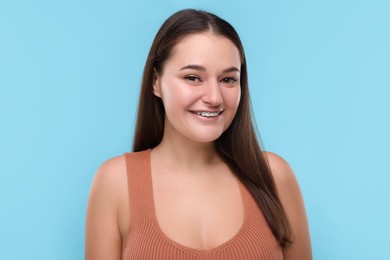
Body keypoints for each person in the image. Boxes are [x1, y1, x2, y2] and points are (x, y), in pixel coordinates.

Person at [85, 9, 312, 260]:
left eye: (228, 79)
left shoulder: (273, 176)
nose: (214, 98)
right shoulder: (116, 183)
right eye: (193, 78)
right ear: (156, 82)